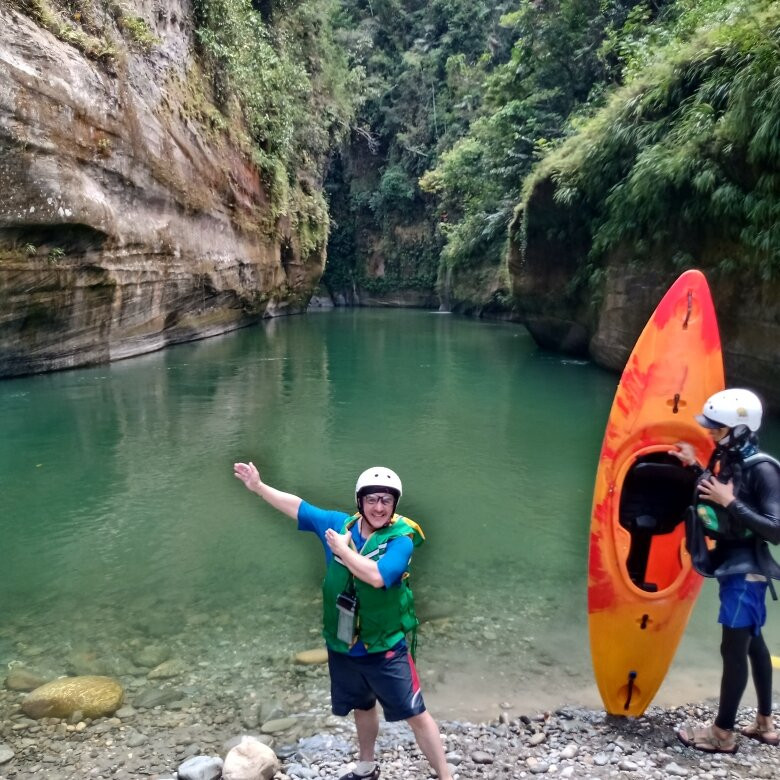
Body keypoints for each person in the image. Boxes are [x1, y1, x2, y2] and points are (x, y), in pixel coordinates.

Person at [233, 461, 454, 780]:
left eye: (386, 500)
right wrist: (258, 486)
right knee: (362, 706)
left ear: (394, 505)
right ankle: (366, 767)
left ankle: (446, 776)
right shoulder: (340, 524)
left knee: (415, 713)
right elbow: (299, 508)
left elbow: (378, 577)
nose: (379, 507)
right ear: (360, 501)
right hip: (345, 644)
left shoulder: (399, 541)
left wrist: (342, 549)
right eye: (372, 499)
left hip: (385, 646)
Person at [672, 389, 780, 753]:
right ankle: (765, 724)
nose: (711, 434)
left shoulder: (763, 468)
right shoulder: (733, 459)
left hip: (747, 572)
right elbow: (721, 493)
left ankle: (722, 734)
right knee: (754, 642)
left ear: (740, 429)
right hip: (735, 564)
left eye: (717, 429)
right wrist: (694, 465)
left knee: (733, 649)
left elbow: (776, 529)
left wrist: (729, 502)